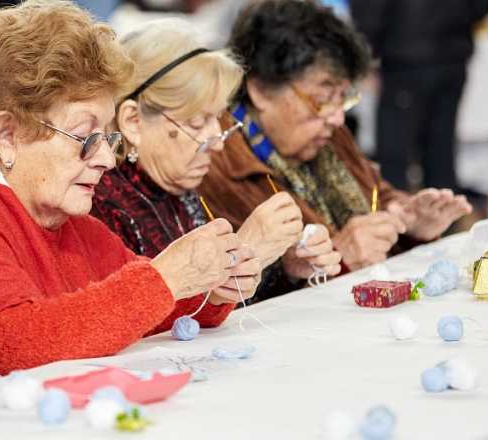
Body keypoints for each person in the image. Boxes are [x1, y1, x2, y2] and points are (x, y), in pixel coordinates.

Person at [0, 0, 260, 382]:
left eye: (108, 137)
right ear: (6, 135)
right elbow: (11, 351)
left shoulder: (57, 212)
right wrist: (169, 278)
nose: (106, 158)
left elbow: (140, 307)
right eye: (86, 136)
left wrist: (212, 287)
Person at [199, 0, 472, 271]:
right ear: (260, 90)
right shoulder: (216, 161)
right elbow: (239, 288)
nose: (337, 117)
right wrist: (337, 255)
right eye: (322, 98)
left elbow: (380, 196)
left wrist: (410, 222)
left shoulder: (328, 133)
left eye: (343, 97)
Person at [92, 19, 341, 302]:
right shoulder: (101, 205)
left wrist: (288, 268)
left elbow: (226, 307)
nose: (219, 141)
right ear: (133, 121)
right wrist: (246, 250)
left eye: (218, 119)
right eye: (197, 123)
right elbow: (139, 316)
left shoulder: (178, 188)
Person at [351, 0, 488, 191]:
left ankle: (395, 216)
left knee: (397, 156)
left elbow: (370, 11)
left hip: (405, 55)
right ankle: (442, 216)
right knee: (440, 150)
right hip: (449, 55)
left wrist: (370, 48)